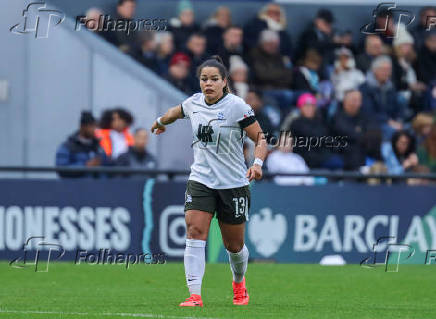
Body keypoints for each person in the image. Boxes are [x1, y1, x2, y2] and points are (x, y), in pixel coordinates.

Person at [150, 56, 267, 307]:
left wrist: (257, 164)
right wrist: (161, 122)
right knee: (194, 231)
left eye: (214, 79)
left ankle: (239, 284)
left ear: (225, 82)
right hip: (201, 179)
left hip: (233, 183)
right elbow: (175, 112)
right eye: (204, 79)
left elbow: (260, 139)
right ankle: (194, 295)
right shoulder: (194, 103)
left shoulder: (237, 106)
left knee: (233, 245)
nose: (208, 83)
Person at [55, 111, 107, 178]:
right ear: (83, 127)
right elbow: (62, 169)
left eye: (96, 127)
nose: (95, 130)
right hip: (77, 186)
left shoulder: (98, 147)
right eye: (92, 126)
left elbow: (107, 165)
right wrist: (85, 166)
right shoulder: (67, 147)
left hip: (99, 186)